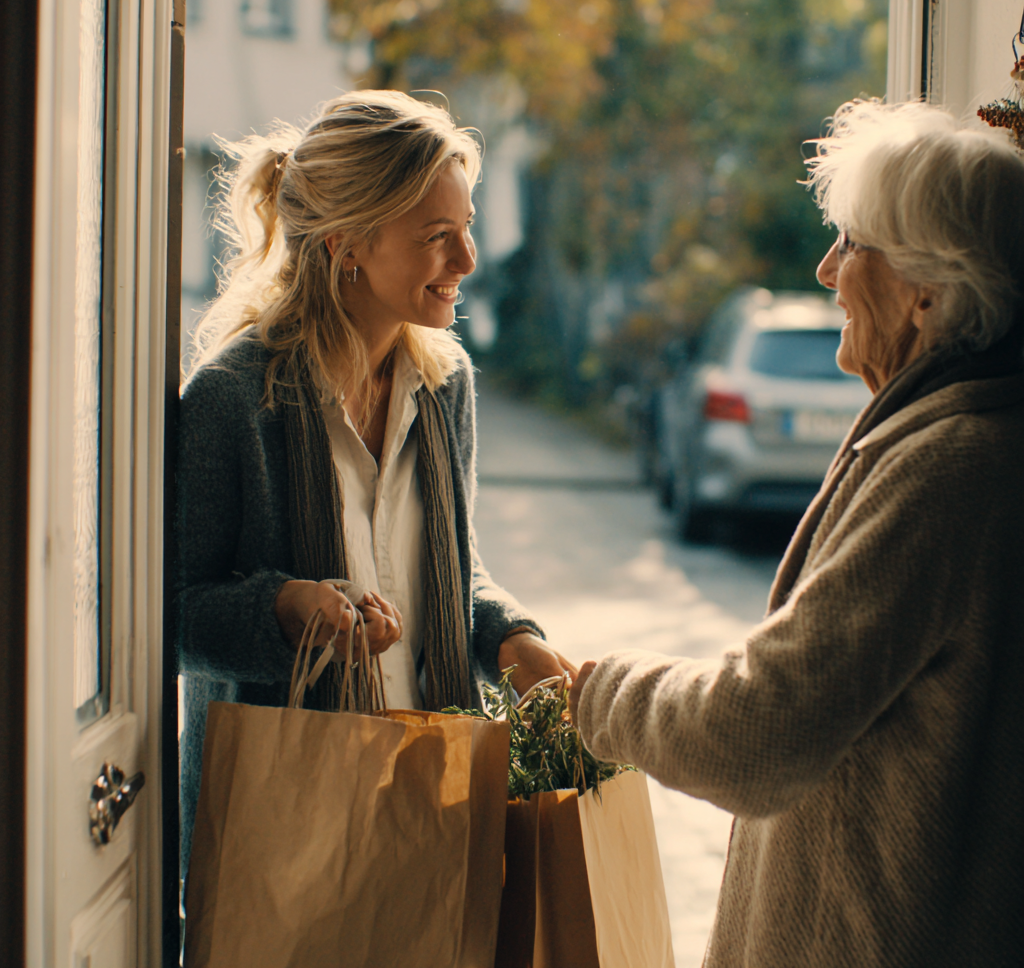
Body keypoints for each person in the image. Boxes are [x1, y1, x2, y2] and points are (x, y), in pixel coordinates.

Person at [570, 100, 1024, 967]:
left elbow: (755, 733)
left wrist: (596, 691)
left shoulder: (950, 469)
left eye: (851, 245)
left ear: (926, 291)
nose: (825, 271)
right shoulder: (966, 437)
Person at [176, 91, 576, 875]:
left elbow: (450, 571)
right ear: (348, 243)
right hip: (283, 839)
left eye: (466, 231)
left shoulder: (444, 382)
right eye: (438, 238)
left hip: (433, 811)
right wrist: (284, 608)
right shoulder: (231, 397)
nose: (466, 261)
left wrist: (513, 640)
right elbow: (170, 614)